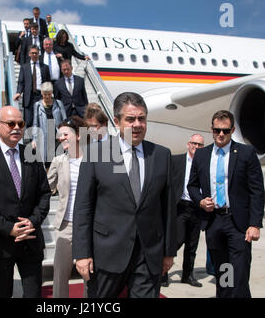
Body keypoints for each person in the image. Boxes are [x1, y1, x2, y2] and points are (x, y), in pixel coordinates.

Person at [72, 92, 177, 298]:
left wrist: (168, 251)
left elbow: (168, 207)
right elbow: (83, 207)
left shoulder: (161, 155)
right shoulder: (96, 155)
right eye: (130, 119)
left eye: (142, 118)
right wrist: (82, 254)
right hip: (107, 254)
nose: (137, 124)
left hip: (148, 255)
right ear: (117, 121)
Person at [0, 106, 51, 298]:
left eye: (20, 124)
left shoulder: (31, 154)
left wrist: (33, 221)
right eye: (11, 123)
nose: (16, 128)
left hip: (30, 242)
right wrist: (8, 228)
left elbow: (44, 194)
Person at [187, 110, 265, 298]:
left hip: (238, 223)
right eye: (217, 130)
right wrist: (201, 201)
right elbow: (192, 185)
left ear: (232, 130)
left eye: (225, 130)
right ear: (211, 130)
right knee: (223, 273)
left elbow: (257, 191)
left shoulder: (246, 153)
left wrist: (255, 224)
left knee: (238, 275)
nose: (221, 134)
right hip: (214, 222)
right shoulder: (202, 155)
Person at [47, 116, 88, 298]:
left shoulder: (93, 160)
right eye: (59, 135)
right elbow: (45, 188)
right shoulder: (58, 161)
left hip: (88, 225)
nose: (61, 138)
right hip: (66, 224)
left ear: (78, 135)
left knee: (89, 272)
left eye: (65, 134)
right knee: (60, 272)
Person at [161, 134, 205, 288]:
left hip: (197, 208)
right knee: (176, 241)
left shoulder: (204, 163)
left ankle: (187, 275)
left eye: (200, 145)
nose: (197, 147)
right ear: (188, 144)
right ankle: (163, 273)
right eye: (194, 144)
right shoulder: (176, 160)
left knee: (192, 245)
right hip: (180, 206)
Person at [14, 45, 51, 127]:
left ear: (39, 54)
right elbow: (21, 82)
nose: (34, 55)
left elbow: (48, 83)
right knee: (28, 120)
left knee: (42, 119)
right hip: (29, 97)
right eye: (33, 53)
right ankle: (28, 139)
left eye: (36, 53)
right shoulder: (24, 67)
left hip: (41, 96)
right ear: (29, 54)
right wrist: (18, 92)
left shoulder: (45, 67)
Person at [32, 82, 67, 168]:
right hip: (44, 136)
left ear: (52, 93)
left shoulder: (58, 103)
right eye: (45, 94)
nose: (47, 96)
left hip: (57, 136)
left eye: (49, 94)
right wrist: (34, 139)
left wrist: (65, 134)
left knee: (59, 160)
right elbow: (35, 123)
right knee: (46, 161)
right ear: (41, 93)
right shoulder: (37, 105)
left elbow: (65, 121)